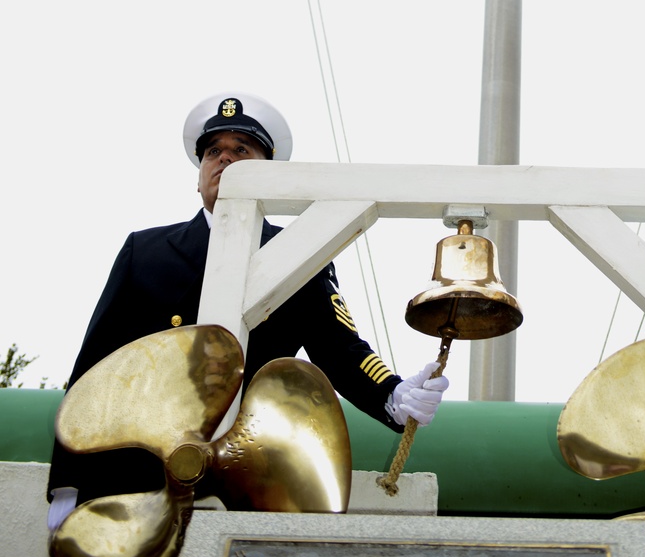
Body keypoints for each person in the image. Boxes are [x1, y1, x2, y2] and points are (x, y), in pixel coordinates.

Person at [47, 94, 447, 527]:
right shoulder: (144, 251)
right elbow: (94, 365)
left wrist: (392, 395)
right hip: (138, 472)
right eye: (213, 152)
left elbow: (339, 348)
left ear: (268, 173)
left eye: (242, 151)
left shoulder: (300, 255)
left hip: (247, 473)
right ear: (199, 176)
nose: (225, 160)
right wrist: (69, 482)